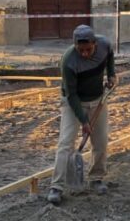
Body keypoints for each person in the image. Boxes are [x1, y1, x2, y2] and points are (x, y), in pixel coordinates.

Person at [47, 25, 116, 205]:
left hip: (98, 99)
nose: (84, 53)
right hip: (73, 103)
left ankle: (96, 178)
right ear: (75, 46)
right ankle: (57, 186)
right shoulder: (69, 61)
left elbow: (109, 56)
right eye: (81, 50)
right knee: (65, 143)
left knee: (100, 141)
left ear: (95, 43)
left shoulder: (105, 45)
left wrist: (111, 74)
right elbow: (71, 95)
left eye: (88, 49)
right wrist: (83, 120)